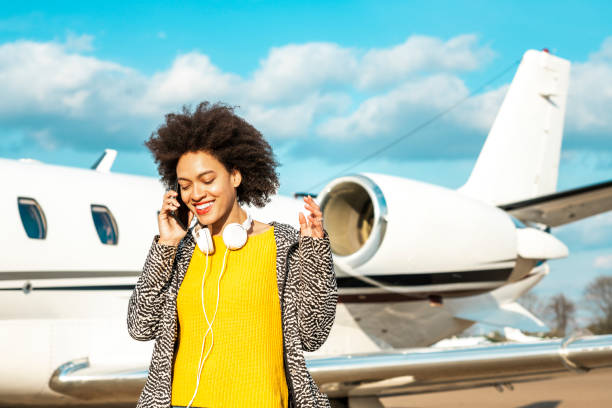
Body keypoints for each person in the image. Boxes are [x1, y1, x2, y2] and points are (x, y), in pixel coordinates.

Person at [127, 101, 337, 408]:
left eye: (207, 180)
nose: (196, 194)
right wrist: (165, 246)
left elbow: (312, 334)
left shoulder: (282, 245)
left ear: (235, 176)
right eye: (185, 186)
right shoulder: (182, 252)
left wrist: (316, 253)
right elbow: (140, 326)